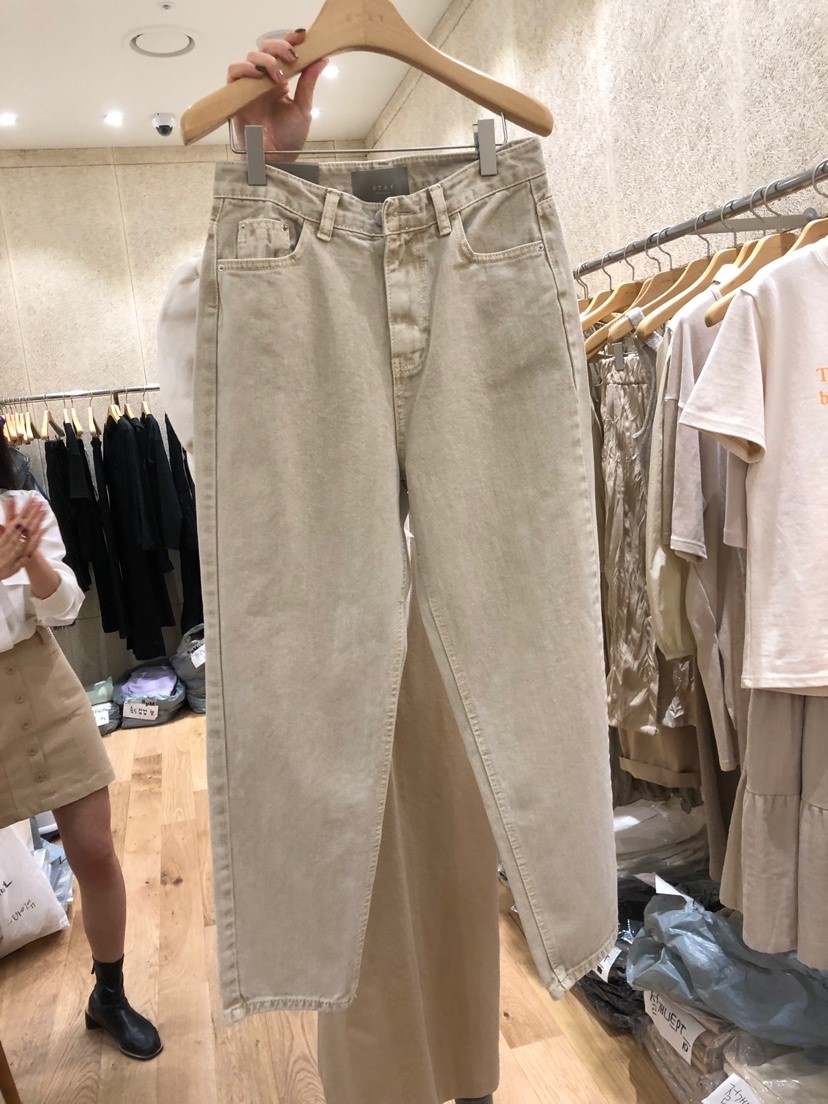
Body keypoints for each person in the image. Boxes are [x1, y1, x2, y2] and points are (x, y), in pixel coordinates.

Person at [0, 427, 162, 1061]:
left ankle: (110, 997)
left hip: (43, 682)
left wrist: (32, 563)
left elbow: (66, 605)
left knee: (94, 852)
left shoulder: (18, 503)